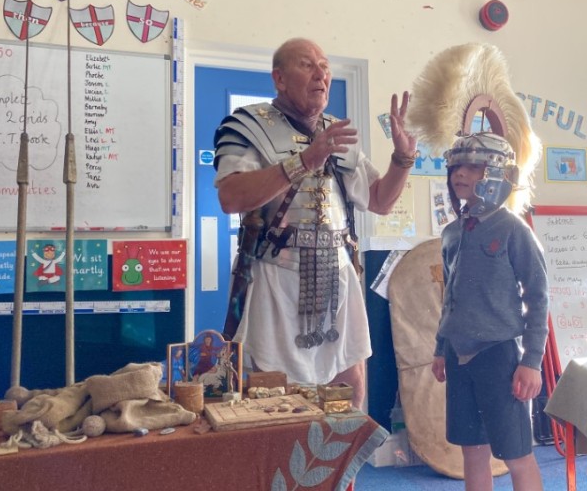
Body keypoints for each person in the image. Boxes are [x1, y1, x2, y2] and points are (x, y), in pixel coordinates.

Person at [213, 37, 416, 409]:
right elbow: (231, 198)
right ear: (279, 78)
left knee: (349, 388)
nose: (321, 74)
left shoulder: (338, 133)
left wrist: (403, 159)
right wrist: (306, 160)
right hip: (277, 276)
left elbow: (379, 201)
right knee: (272, 393)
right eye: (308, 65)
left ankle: (345, 469)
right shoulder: (247, 125)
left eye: (325, 66)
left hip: (338, 276)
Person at [430, 133, 549, 491]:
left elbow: (539, 296)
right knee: (472, 451)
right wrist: (440, 348)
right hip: (457, 353)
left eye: (474, 167)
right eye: (457, 166)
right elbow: (449, 295)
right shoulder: (452, 233)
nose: (460, 174)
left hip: (498, 354)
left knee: (516, 454)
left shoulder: (514, 229)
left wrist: (531, 361)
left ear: (497, 173)